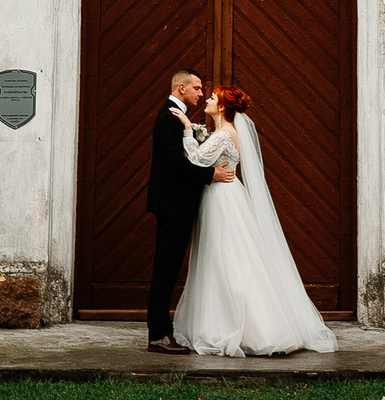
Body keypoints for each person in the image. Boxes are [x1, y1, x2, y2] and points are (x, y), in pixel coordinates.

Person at [171, 85, 339, 356]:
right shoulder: (224, 132)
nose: (208, 101)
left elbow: (196, 160)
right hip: (226, 195)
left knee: (225, 257)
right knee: (228, 256)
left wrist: (188, 130)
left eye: (212, 98)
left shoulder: (224, 134)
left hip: (222, 198)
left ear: (222, 106)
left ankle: (238, 326)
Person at [145, 70, 232, 353]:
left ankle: (162, 332)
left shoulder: (177, 117)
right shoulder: (169, 117)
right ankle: (158, 335)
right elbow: (175, 163)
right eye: (197, 88)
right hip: (173, 204)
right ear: (181, 88)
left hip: (177, 204)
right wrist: (210, 175)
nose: (200, 93)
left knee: (168, 268)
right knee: (166, 269)